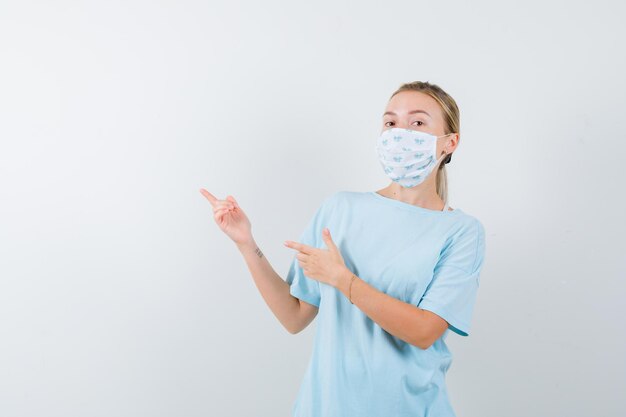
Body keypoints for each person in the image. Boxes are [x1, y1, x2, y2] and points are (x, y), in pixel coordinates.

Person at [200, 80, 486, 417]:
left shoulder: (461, 232)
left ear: (449, 142)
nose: (400, 133)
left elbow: (424, 331)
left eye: (418, 123)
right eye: (391, 122)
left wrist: (344, 281)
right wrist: (246, 244)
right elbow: (294, 316)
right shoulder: (340, 209)